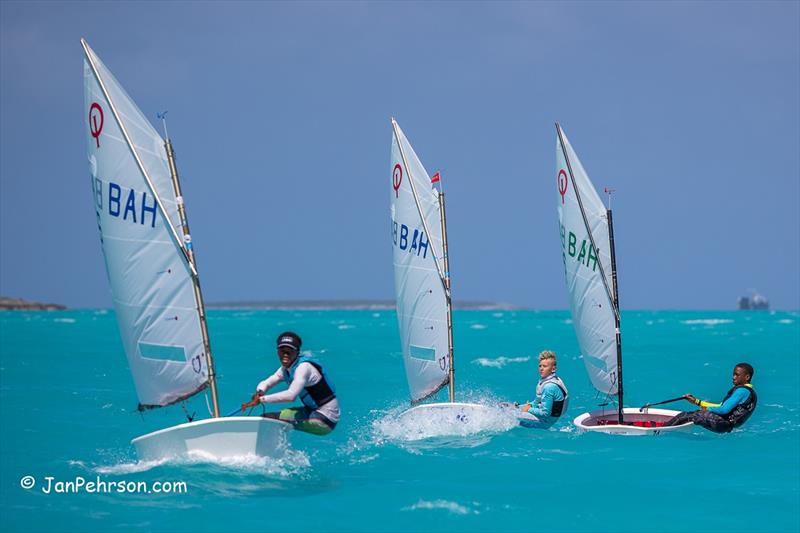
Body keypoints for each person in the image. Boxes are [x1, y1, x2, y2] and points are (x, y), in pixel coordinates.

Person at [240, 331, 339, 435]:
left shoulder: (303, 368)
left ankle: (266, 449)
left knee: (267, 419)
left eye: (289, 351)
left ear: (297, 352)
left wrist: (261, 399)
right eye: (282, 351)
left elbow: (291, 396)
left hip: (325, 419)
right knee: (270, 418)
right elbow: (268, 382)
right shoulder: (285, 369)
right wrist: (259, 392)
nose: (285, 355)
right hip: (312, 412)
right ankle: (278, 450)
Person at [665, 362, 757, 433]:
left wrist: (707, 409)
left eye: (737, 375)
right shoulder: (747, 391)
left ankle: (663, 430)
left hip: (722, 424)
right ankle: (668, 427)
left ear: (747, 377)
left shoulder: (742, 391)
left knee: (691, 415)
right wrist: (697, 402)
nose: (733, 377)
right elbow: (721, 406)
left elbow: (724, 410)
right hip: (724, 425)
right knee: (690, 415)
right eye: (733, 374)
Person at [518, 350, 569, 428]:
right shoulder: (552, 379)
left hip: (545, 421)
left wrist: (528, 409)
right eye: (540, 366)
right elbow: (537, 401)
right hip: (546, 417)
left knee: (511, 416)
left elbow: (545, 413)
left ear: (553, 369)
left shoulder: (549, 387)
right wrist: (522, 406)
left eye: (545, 366)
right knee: (510, 407)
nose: (541, 369)